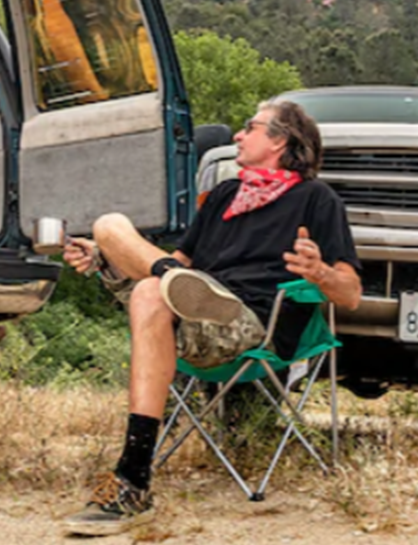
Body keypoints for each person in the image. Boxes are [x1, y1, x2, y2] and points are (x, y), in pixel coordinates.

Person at [58, 98, 362, 535]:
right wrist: (107, 257)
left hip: (256, 322)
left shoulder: (316, 199)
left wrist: (320, 273)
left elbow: (350, 294)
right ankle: (185, 289)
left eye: (250, 127)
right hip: (190, 309)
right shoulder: (224, 194)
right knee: (109, 229)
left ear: (279, 140)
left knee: (149, 290)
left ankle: (132, 476)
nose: (237, 135)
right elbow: (177, 257)